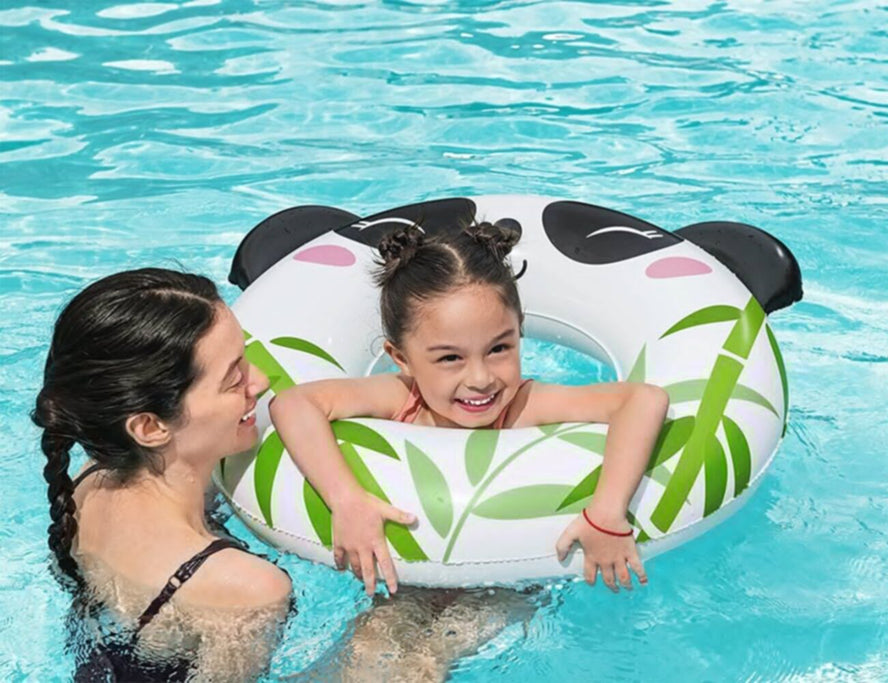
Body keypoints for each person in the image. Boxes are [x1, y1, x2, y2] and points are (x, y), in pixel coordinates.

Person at [270, 222, 670, 598]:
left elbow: (643, 400)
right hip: (407, 580)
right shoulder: (401, 398)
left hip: (503, 588)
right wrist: (346, 500)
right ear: (401, 358)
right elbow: (293, 403)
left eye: (499, 348)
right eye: (450, 358)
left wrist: (606, 513)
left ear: (520, 331)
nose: (481, 378)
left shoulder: (524, 406)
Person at [33, 268, 292, 681]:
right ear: (150, 427)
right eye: (234, 380)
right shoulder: (247, 587)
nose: (259, 382)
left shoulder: (86, 483)